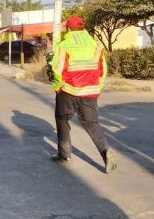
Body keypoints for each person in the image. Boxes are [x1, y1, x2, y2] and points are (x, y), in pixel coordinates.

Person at [49, 15, 117, 174]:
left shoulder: (64, 45)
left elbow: (57, 70)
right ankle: (105, 151)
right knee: (91, 123)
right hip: (90, 92)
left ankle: (64, 155)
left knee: (62, 118)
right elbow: (102, 70)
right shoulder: (94, 45)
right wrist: (95, 87)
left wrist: (57, 86)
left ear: (68, 29)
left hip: (69, 91)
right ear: (83, 28)